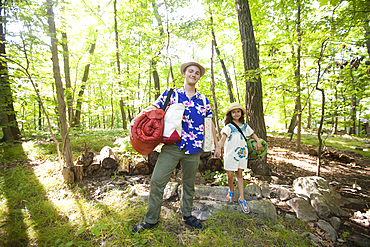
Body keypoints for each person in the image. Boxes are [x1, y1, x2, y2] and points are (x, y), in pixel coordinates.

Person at [131, 60, 221, 234]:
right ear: (184, 73)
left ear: (199, 77)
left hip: (194, 149)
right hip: (173, 146)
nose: (193, 75)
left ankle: (187, 215)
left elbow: (210, 124)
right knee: (157, 182)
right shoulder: (171, 93)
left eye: (197, 73)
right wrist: (138, 118)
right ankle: (151, 220)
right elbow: (154, 108)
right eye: (190, 71)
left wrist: (217, 146)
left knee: (189, 185)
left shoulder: (203, 100)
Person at [218, 102, 262, 214]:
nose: (236, 113)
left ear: (241, 113)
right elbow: (223, 139)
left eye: (238, 111)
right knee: (230, 175)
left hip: (241, 155)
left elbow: (252, 134)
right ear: (230, 114)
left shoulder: (246, 127)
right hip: (230, 154)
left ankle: (242, 198)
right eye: (234, 112)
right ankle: (231, 190)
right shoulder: (228, 127)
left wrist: (258, 142)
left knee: (239, 175)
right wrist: (218, 148)